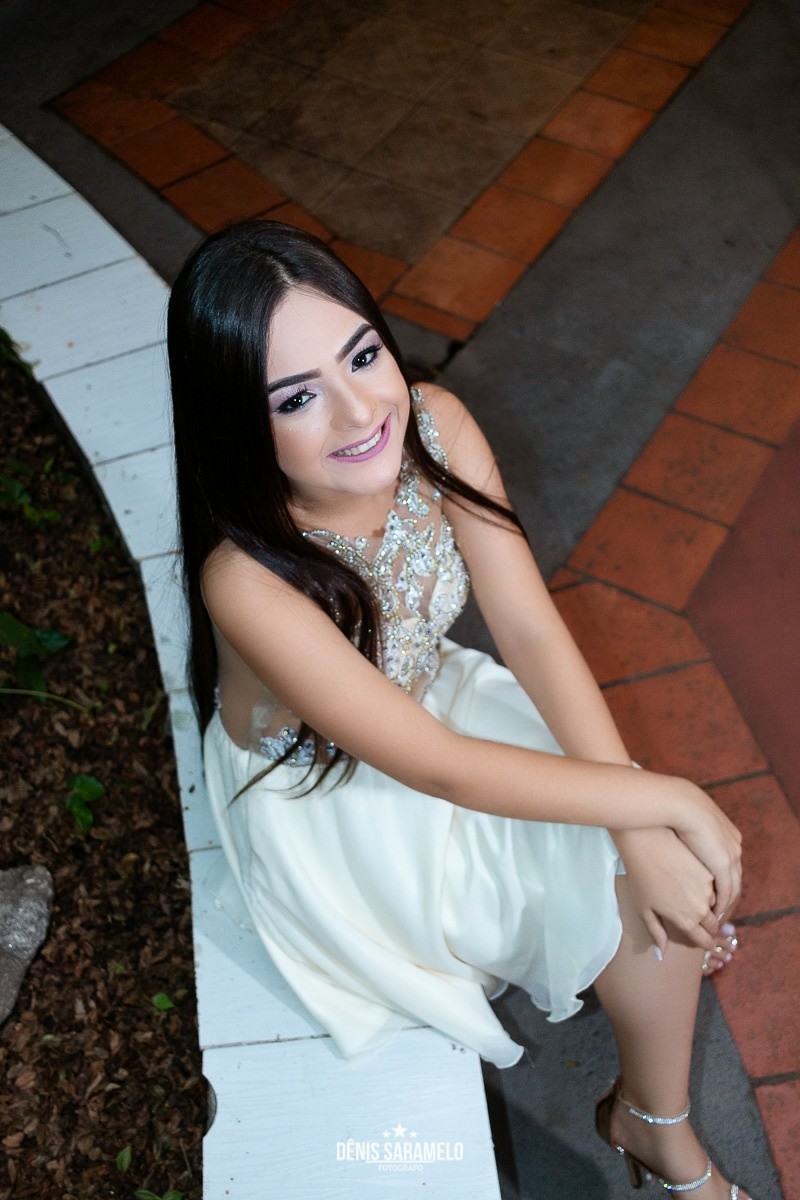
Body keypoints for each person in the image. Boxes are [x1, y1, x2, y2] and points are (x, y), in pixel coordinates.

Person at [168, 219, 749, 1199]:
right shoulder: (246, 580)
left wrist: (642, 819)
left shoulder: (435, 421)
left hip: (435, 710)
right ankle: (667, 1145)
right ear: (237, 424)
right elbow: (436, 768)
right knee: (642, 846)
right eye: (297, 397)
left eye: (362, 355)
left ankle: (654, 1124)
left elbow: (529, 631)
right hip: (336, 800)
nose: (361, 410)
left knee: (652, 867)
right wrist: (669, 798)